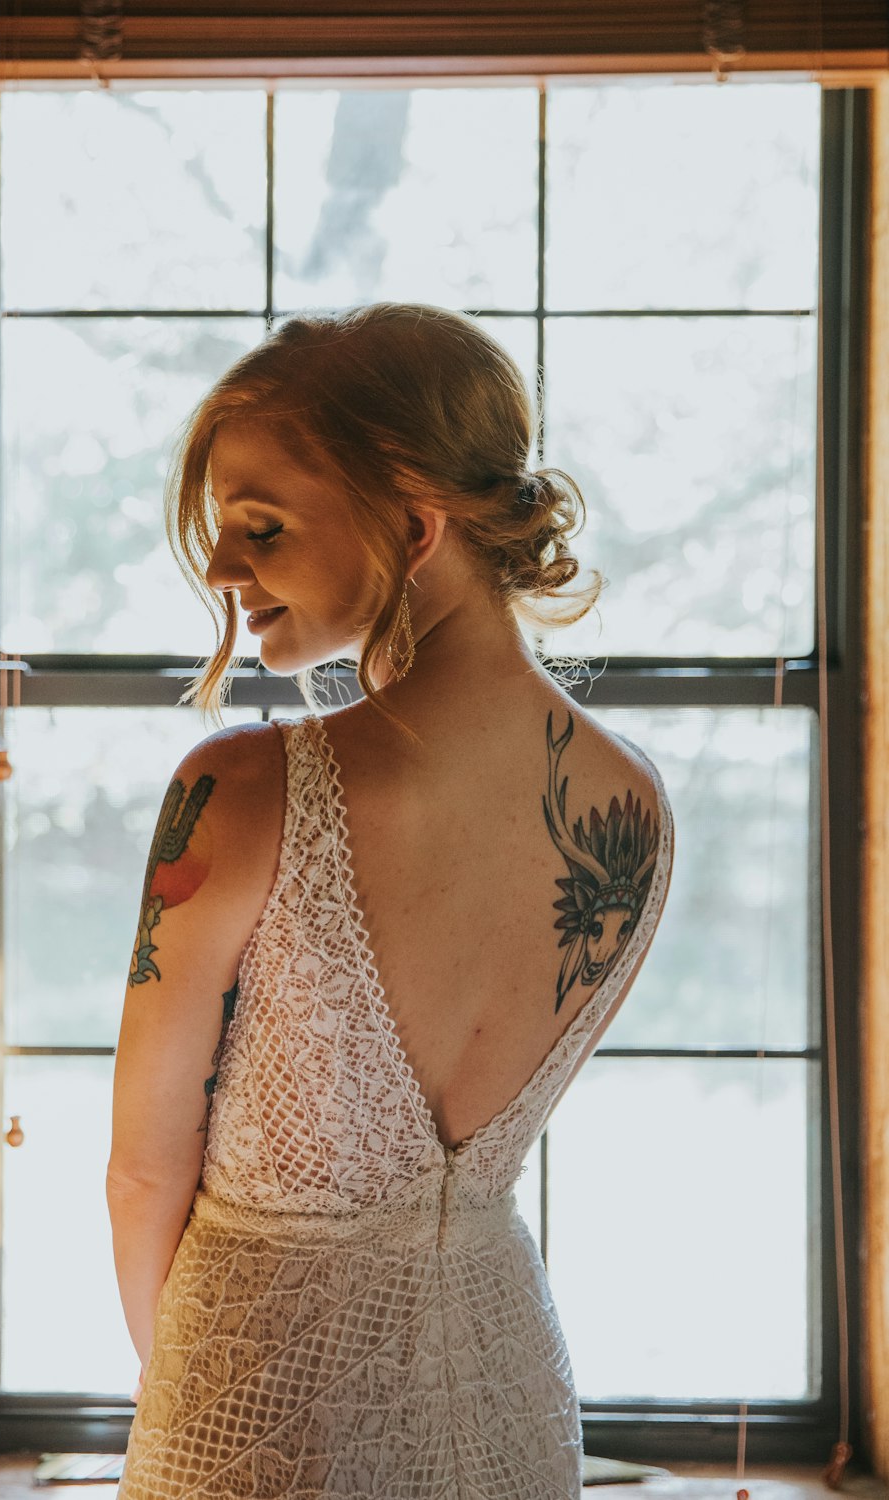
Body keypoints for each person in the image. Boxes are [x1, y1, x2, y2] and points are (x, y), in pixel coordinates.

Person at [107, 302, 674, 1499]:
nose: (220, 567)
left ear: (415, 527)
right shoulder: (635, 811)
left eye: (259, 525)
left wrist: (191, 1408)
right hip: (508, 1398)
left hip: (252, 1410)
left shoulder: (245, 790)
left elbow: (144, 1176)